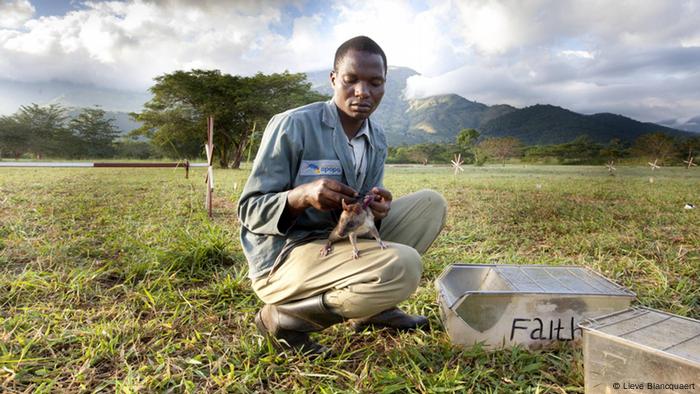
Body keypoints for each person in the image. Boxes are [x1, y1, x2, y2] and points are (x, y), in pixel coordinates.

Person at [237, 36, 447, 355]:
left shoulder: (376, 137)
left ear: (385, 86)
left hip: (336, 241)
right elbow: (249, 210)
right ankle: (284, 319)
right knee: (404, 265)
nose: (362, 91)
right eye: (351, 80)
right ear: (334, 79)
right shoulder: (292, 125)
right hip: (286, 257)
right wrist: (301, 197)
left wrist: (376, 207)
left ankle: (372, 310)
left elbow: (357, 216)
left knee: (431, 204)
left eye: (374, 82)